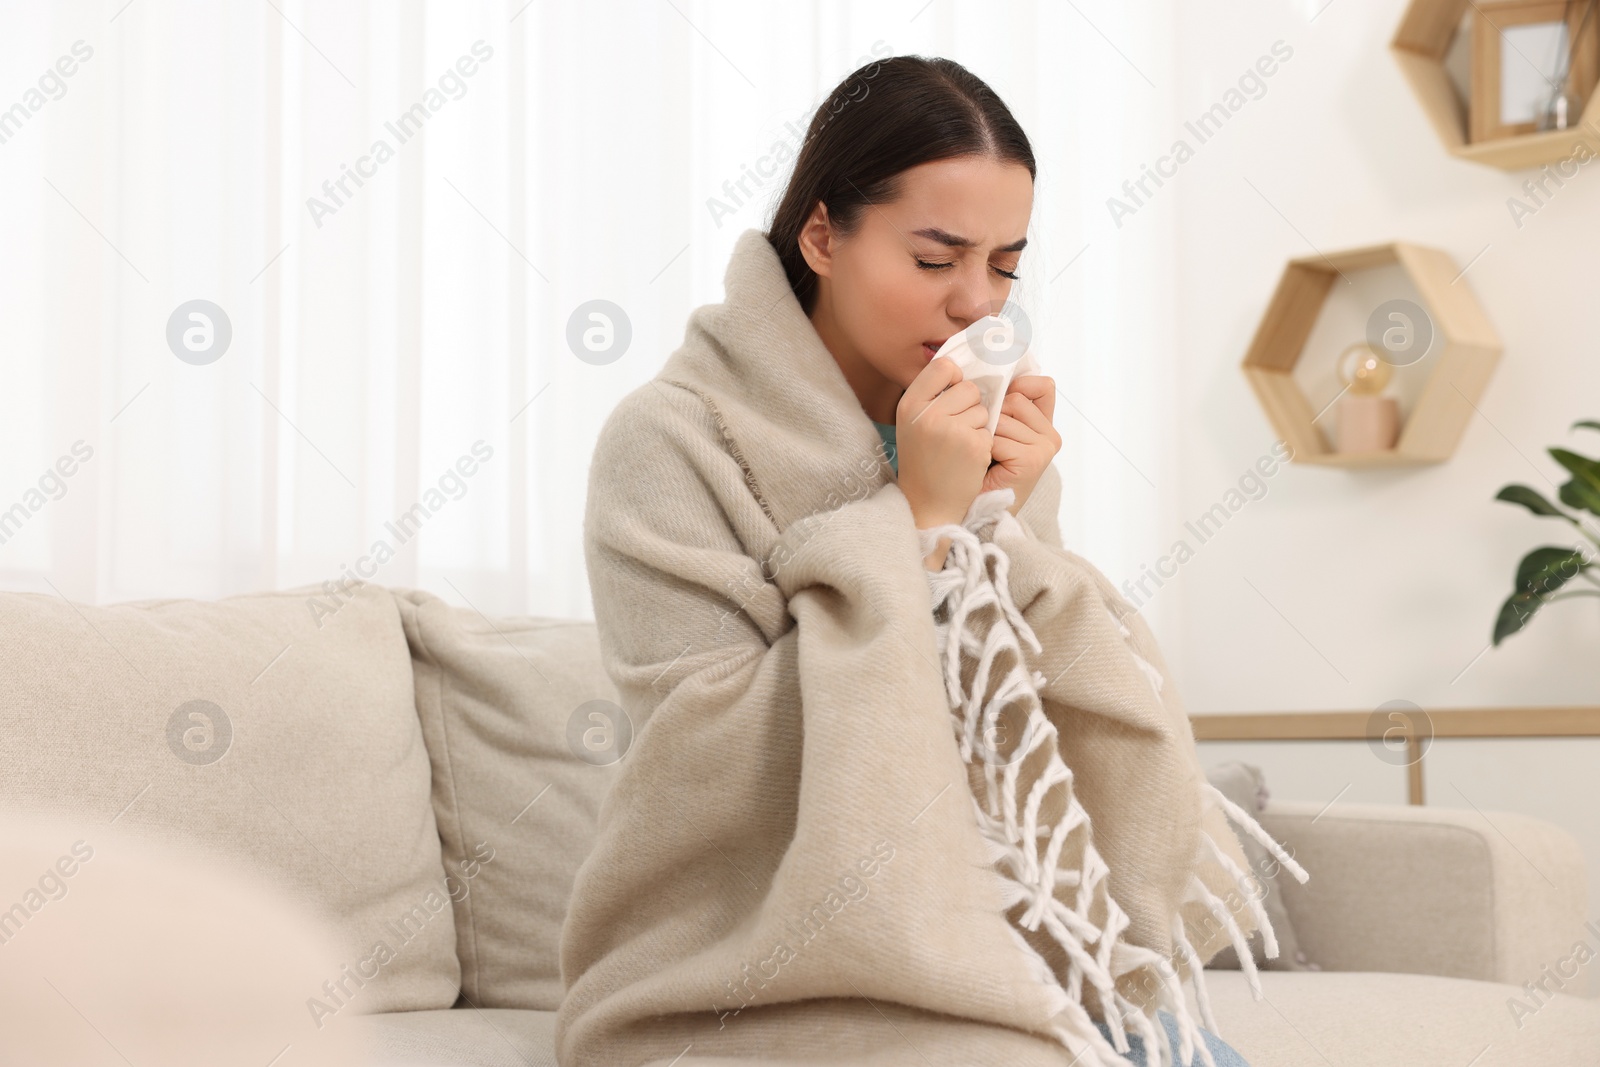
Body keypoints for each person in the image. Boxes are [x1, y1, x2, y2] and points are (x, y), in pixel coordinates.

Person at [558, 55, 1263, 1067]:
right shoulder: (669, 441)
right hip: (744, 955)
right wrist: (921, 527)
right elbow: (704, 754)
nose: (977, 304)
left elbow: (1029, 722)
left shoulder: (978, 437)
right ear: (821, 235)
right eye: (935, 259)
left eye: (1005, 265)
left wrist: (1004, 536)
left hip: (1003, 938)